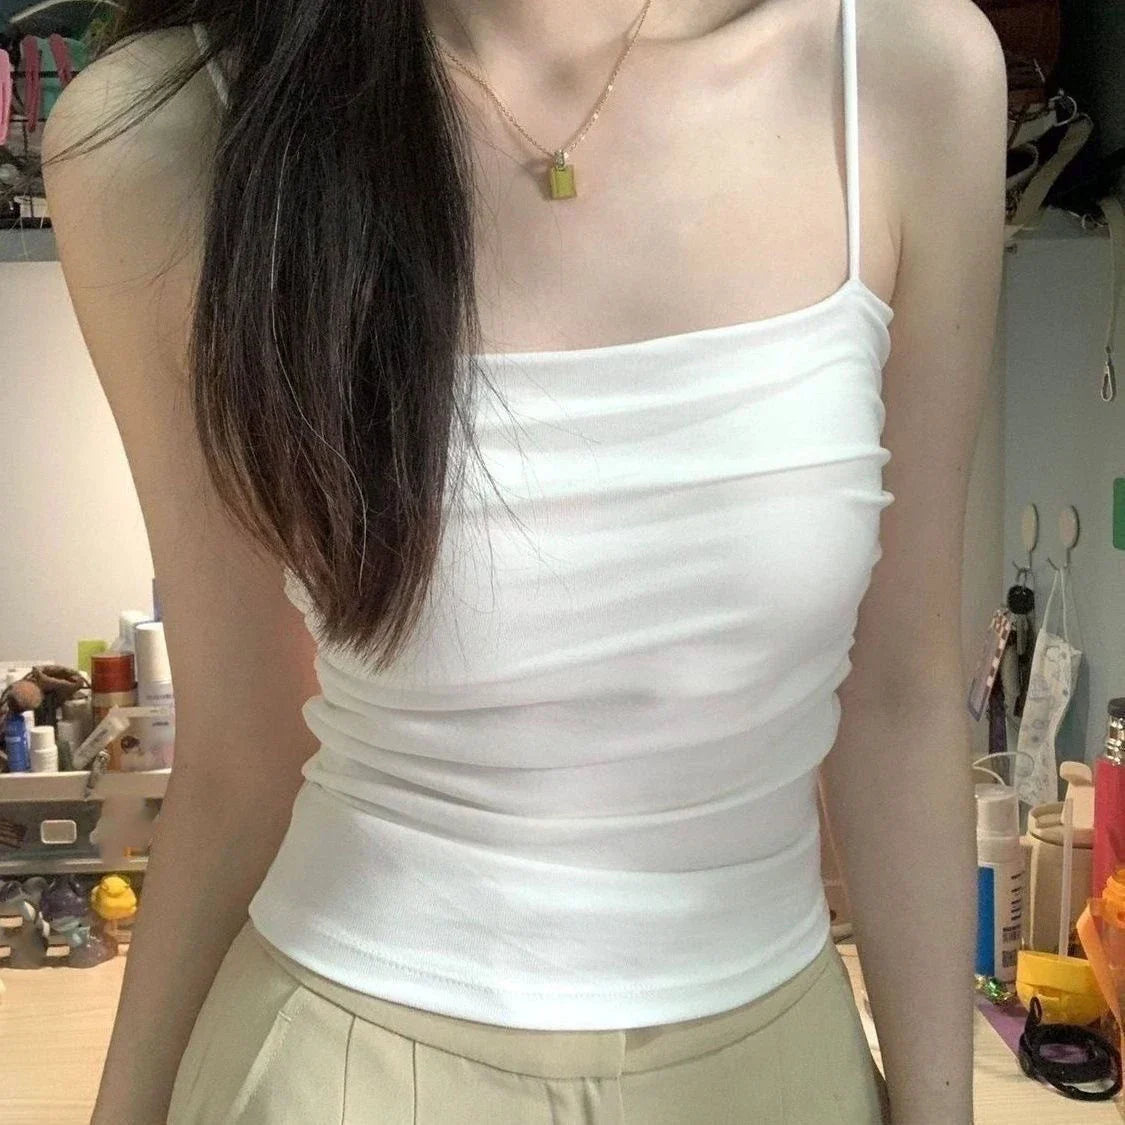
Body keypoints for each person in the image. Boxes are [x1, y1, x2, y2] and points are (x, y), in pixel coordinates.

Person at [43, 0, 1006, 1121]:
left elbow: (901, 695)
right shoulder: (167, 136)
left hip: (777, 1066)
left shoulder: (902, 73)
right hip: (343, 1071)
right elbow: (241, 743)